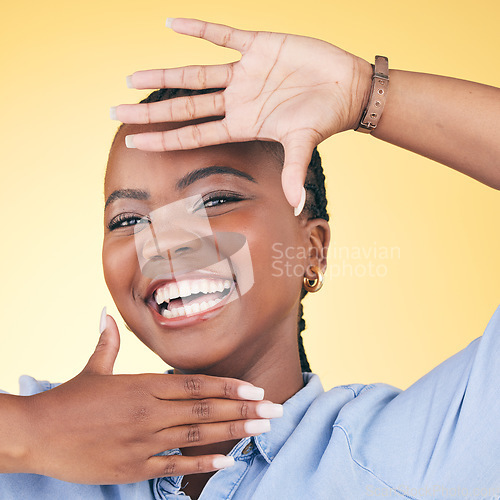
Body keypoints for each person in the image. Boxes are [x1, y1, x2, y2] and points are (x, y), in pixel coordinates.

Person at [0, 17, 499, 500]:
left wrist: (366, 94)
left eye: (216, 201)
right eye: (128, 220)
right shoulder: (31, 451)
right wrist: (29, 430)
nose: (166, 243)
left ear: (312, 249)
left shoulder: (403, 458)